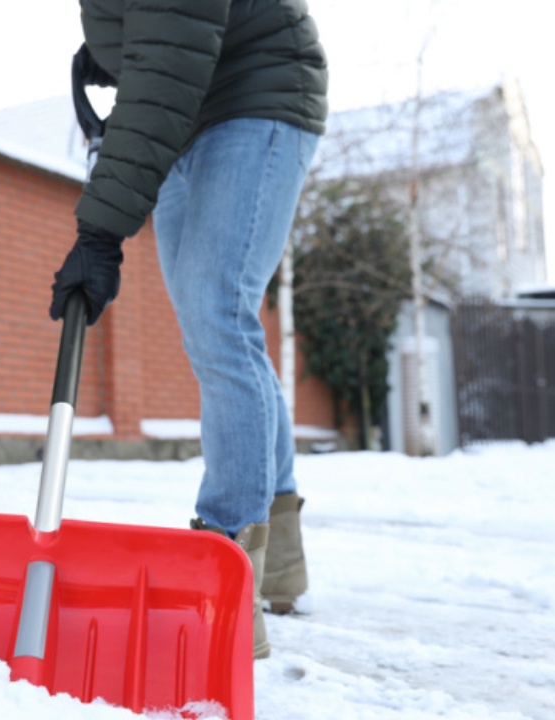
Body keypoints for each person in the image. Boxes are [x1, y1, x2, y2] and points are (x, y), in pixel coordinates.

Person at [49, 0, 327, 659]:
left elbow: (168, 60)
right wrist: (115, 52)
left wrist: (99, 232)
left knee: (217, 314)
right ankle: (279, 559)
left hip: (256, 97)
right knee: (220, 324)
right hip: (191, 110)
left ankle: (224, 572)